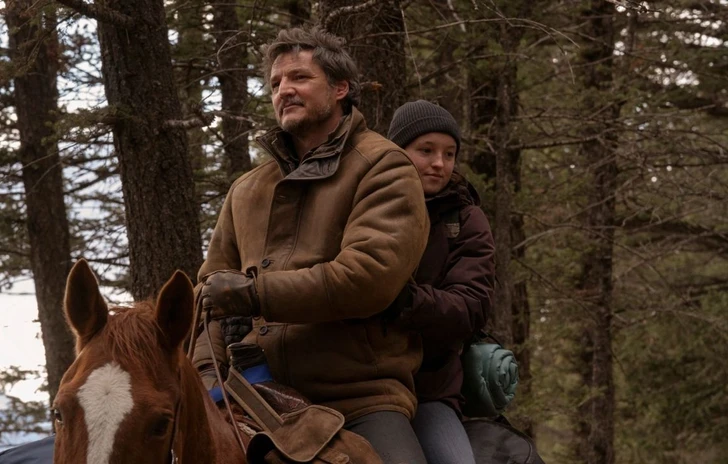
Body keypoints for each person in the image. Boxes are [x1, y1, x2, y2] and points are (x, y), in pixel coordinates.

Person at [192, 27, 430, 464]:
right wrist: (207, 376)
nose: (284, 90)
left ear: (340, 88)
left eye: (299, 77)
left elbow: (368, 278)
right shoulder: (246, 189)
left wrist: (255, 294)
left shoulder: (383, 166)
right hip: (254, 397)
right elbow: (208, 297)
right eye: (275, 83)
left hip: (358, 397)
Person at [387, 100, 496, 464]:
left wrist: (405, 301)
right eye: (426, 150)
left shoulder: (466, 219)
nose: (439, 163)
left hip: (430, 390)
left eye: (449, 154)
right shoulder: (367, 206)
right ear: (397, 151)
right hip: (359, 383)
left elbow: (471, 306)